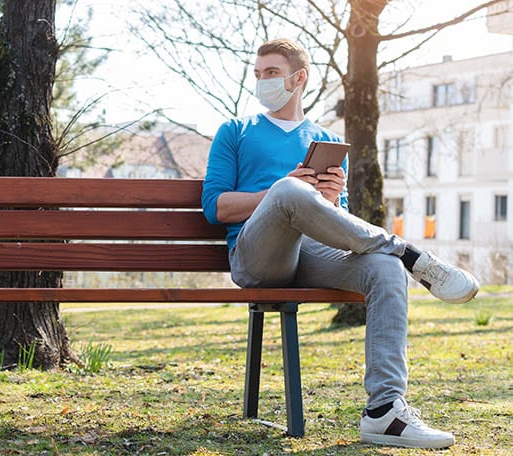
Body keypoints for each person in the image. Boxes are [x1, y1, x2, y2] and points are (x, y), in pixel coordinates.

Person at [202, 38, 479, 449]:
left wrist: (330, 199)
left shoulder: (327, 140)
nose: (262, 82)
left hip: (314, 254)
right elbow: (216, 207)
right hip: (257, 258)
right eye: (258, 75)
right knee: (287, 191)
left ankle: (385, 412)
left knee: (383, 267)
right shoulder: (236, 131)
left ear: (299, 78)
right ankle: (409, 253)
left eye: (272, 74)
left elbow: (343, 226)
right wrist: (284, 192)